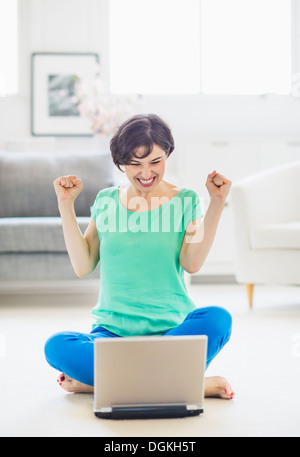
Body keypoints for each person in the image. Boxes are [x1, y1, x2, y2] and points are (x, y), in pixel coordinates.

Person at [45, 114, 234, 400]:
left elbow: (191, 263)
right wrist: (65, 206)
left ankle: (104, 383)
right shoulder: (106, 201)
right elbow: (83, 266)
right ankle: (189, 383)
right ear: (121, 162)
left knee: (219, 319)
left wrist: (217, 203)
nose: (146, 173)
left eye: (155, 162)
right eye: (135, 164)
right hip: (111, 336)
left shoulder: (186, 201)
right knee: (56, 346)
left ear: (167, 154)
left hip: (171, 333)